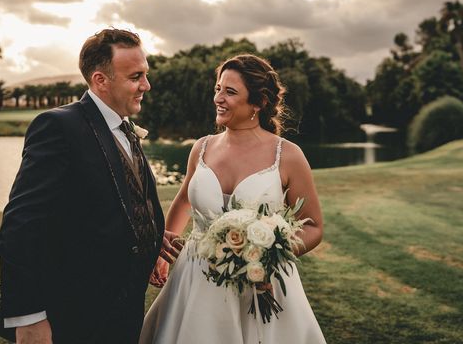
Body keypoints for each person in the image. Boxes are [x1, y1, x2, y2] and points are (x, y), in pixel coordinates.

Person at [0, 29, 183, 344]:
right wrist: (28, 318)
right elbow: (21, 225)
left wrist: (148, 231)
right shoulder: (58, 127)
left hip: (121, 311)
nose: (146, 86)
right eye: (136, 77)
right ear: (100, 80)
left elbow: (108, 199)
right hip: (77, 313)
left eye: (145, 75)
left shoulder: (123, 124)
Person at [140, 54, 327, 343]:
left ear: (258, 103)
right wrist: (162, 251)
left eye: (230, 91)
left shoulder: (288, 155)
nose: (219, 98)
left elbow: (313, 226)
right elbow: (184, 203)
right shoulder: (202, 148)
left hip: (261, 281)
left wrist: (267, 256)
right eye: (217, 89)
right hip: (196, 276)